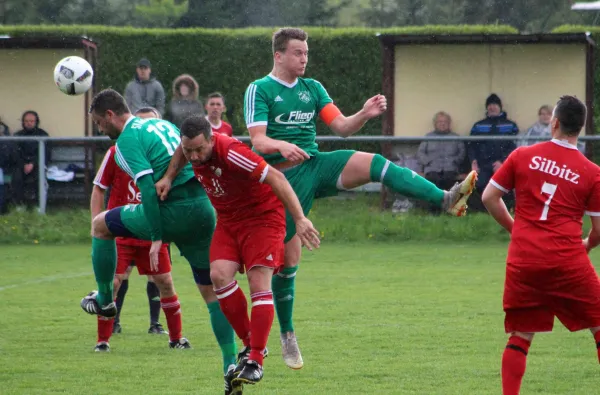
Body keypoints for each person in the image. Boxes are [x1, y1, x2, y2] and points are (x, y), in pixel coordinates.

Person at [243, 27, 478, 369]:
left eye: (306, 53)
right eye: (297, 53)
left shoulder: (313, 88)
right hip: (281, 179)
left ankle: (444, 198)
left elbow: (340, 127)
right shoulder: (259, 89)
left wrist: (364, 114)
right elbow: (258, 142)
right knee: (286, 262)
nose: (304, 58)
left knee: (375, 163)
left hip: (315, 165)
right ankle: (287, 334)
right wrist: (281, 146)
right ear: (278, 55)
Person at [80, 90, 237, 385]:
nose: (101, 130)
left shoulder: (127, 139)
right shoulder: (163, 124)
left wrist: (155, 236)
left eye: (100, 123)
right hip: (203, 210)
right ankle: (230, 365)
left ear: (111, 115)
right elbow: (183, 152)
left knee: (101, 225)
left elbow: (148, 191)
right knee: (211, 292)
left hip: (169, 213)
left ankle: (104, 300)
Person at [157, 115, 320, 393]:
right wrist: (169, 177)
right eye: (189, 150)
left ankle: (255, 359)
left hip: (262, 219)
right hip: (229, 221)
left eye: (199, 149)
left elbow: (277, 177)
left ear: (211, 139)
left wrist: (301, 219)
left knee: (259, 283)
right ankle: (250, 345)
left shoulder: (232, 152)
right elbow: (180, 153)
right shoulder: (189, 150)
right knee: (219, 276)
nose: (194, 157)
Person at [481, 95, 600, 395]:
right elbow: (599, 229)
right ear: (580, 129)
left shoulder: (522, 155)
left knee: (520, 335)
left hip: (525, 260)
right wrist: (585, 244)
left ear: (555, 123)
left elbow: (489, 198)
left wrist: (516, 228)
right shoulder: (592, 172)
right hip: (567, 260)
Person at [91, 107, 175, 352]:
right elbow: (99, 187)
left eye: (153, 124)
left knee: (163, 280)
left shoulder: (165, 157)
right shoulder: (118, 152)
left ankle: (167, 331)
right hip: (122, 229)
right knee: (114, 281)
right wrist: (97, 225)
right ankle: (105, 337)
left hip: (151, 230)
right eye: (142, 123)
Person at [468, 93, 519, 211]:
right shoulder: (478, 126)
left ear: (500, 107)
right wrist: (473, 161)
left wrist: (503, 162)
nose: (492, 107)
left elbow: (514, 146)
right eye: (490, 105)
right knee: (480, 185)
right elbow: (471, 146)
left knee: (505, 186)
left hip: (504, 164)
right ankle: (487, 210)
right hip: (483, 164)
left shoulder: (511, 125)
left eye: (495, 105)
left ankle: (503, 209)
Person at [12, 111, 50, 209]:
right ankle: (19, 205)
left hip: (38, 164)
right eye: (27, 121)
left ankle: (39, 206)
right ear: (23, 122)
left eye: (32, 121)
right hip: (21, 165)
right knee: (16, 177)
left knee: (40, 177)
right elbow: (15, 153)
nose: (29, 123)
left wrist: (33, 163)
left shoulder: (43, 135)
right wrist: (23, 164)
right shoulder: (17, 136)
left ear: (36, 122)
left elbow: (46, 153)